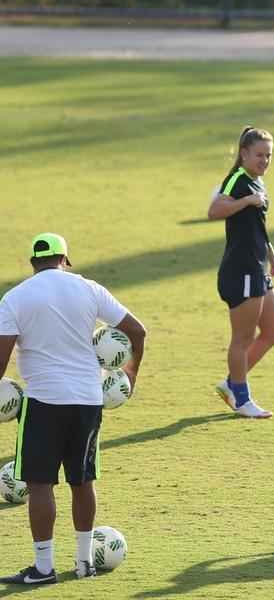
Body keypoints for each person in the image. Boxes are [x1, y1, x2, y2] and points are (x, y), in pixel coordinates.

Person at [0, 234, 147, 584]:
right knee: (82, 481)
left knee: (39, 485)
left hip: (43, 402)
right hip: (87, 400)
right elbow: (137, 332)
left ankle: (43, 568)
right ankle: (84, 563)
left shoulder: (15, 298)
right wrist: (129, 377)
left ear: (33, 263)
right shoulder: (89, 289)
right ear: (65, 259)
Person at [208, 126, 274, 419]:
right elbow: (215, 211)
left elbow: (254, 226)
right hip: (240, 270)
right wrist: (245, 202)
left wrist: (271, 253)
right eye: (259, 155)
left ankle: (231, 383)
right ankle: (241, 398)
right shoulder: (238, 180)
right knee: (242, 337)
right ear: (244, 154)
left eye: (269, 156)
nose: (265, 161)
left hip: (257, 266)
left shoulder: (256, 182)